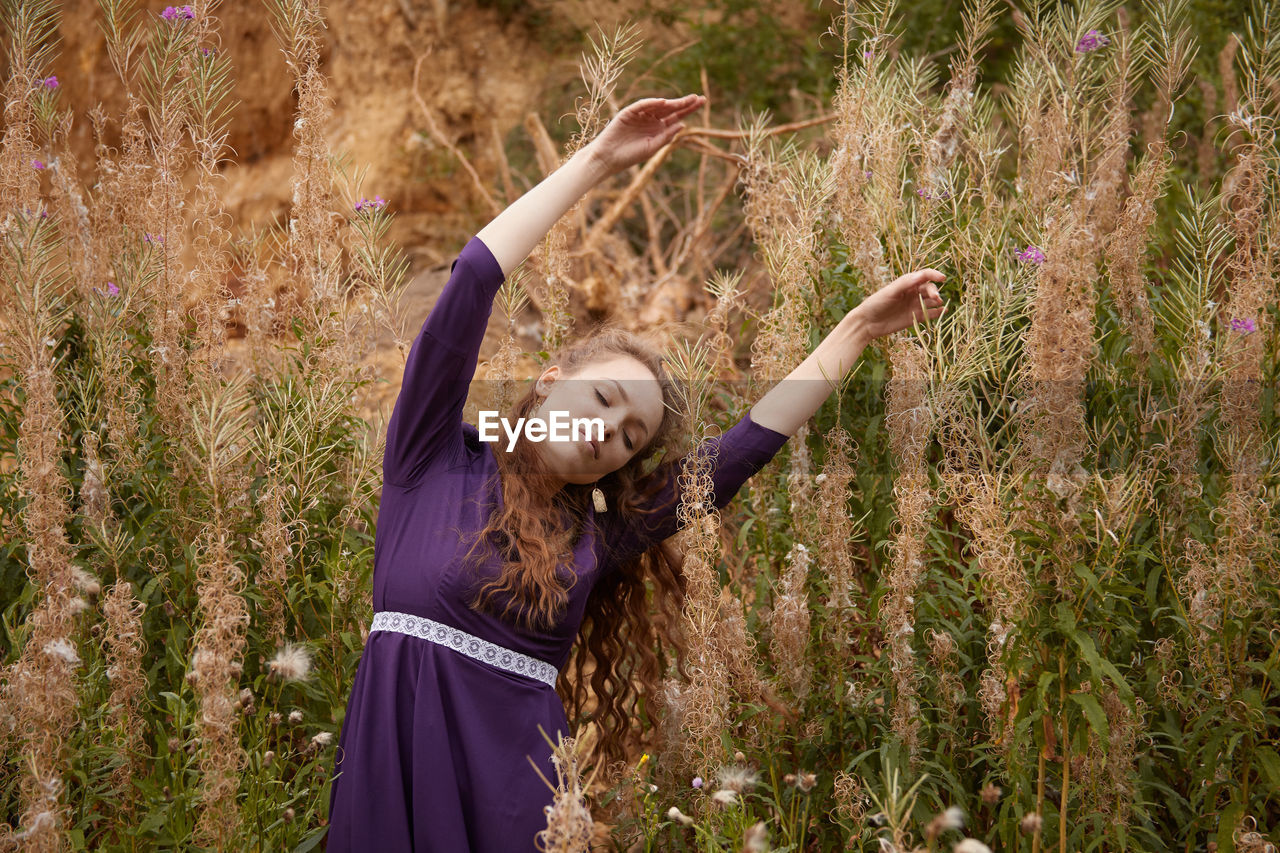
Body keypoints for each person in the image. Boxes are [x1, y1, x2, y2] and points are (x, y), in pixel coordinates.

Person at [324, 93, 947, 852]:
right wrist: (597, 161)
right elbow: (474, 278)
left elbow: (743, 448)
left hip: (520, 806)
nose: (611, 434)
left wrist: (854, 331)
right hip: (394, 775)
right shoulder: (432, 455)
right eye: (607, 400)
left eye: (631, 435)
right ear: (551, 379)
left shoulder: (597, 534)